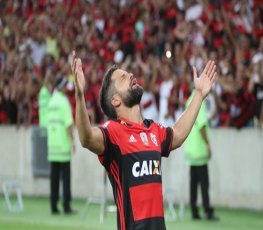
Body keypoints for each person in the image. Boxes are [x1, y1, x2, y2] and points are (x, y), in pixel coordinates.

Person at [71, 50, 216, 229]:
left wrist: (199, 94)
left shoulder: (153, 129)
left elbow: (177, 135)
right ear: (115, 100)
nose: (131, 75)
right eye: (123, 77)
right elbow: (86, 138)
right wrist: (79, 96)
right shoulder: (114, 132)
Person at [184, 89, 219, 221]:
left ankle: (194, 210)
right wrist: (208, 144)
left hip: (190, 149)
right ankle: (207, 210)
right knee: (204, 183)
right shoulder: (200, 102)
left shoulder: (190, 100)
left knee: (193, 183)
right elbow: (202, 125)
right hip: (199, 149)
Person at [46, 77, 75, 214]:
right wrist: (73, 141)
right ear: (61, 87)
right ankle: (66, 206)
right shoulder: (63, 102)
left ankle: (53, 206)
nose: (66, 88)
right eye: (64, 86)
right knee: (65, 178)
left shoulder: (51, 102)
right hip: (63, 146)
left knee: (54, 179)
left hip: (52, 146)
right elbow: (68, 124)